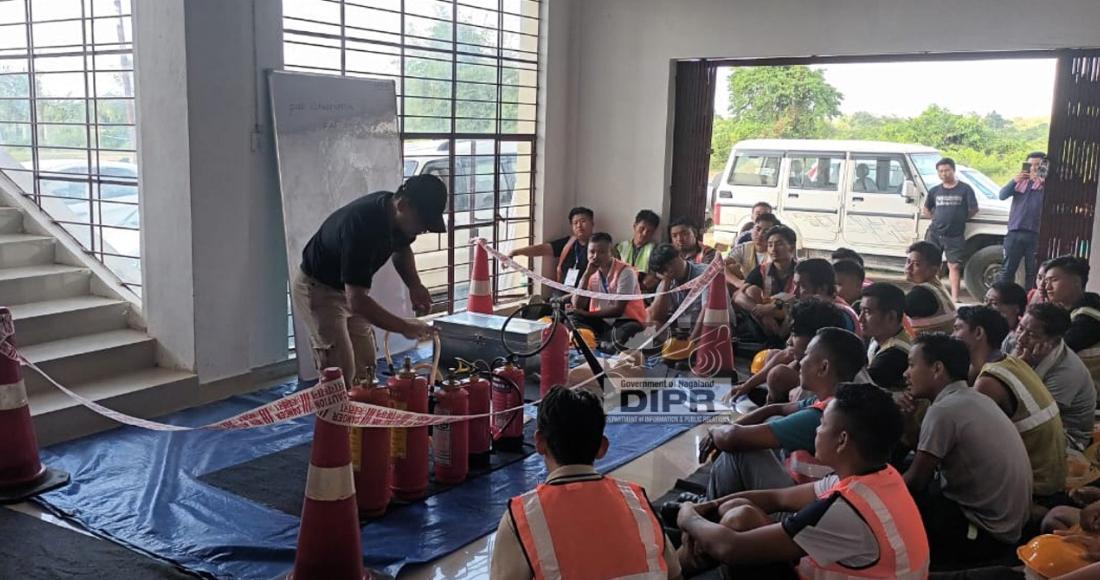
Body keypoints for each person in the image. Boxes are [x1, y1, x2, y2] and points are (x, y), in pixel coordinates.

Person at [675, 384, 929, 579]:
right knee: (737, 511)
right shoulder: (879, 476)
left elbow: (730, 547)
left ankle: (672, 568)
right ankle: (677, 564)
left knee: (736, 524)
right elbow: (778, 498)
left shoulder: (847, 509)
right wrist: (707, 508)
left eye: (822, 424)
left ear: (842, 440)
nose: (817, 431)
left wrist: (688, 517)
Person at [490, 386, 681, 580]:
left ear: (539, 442)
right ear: (602, 447)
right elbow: (674, 574)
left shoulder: (522, 518)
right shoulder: (638, 502)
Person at [292, 175, 442, 385]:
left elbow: (401, 248)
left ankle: (363, 404)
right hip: (319, 289)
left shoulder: (398, 216)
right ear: (402, 205)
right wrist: (404, 326)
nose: (423, 229)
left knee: (366, 368)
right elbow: (358, 302)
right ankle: (338, 406)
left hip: (348, 290)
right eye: (422, 222)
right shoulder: (363, 226)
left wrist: (414, 285)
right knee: (339, 373)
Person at [902, 333, 1032, 569]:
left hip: (988, 534)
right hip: (1010, 523)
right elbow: (925, 451)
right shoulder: (972, 398)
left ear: (937, 369)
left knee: (900, 508)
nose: (905, 373)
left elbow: (916, 481)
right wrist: (910, 421)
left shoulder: (944, 410)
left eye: (911, 365)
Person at [693, 328, 867, 501]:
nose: (800, 361)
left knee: (739, 449)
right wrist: (728, 427)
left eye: (807, 356)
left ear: (823, 367)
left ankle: (707, 507)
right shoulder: (835, 399)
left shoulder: (822, 417)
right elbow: (776, 409)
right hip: (812, 490)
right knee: (771, 420)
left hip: (803, 505)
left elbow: (730, 438)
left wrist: (715, 431)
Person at [953, 305, 1067, 499]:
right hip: (1052, 477)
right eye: (1021, 329)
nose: (952, 336)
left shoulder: (988, 383)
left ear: (978, 333)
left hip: (1035, 487)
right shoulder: (1011, 361)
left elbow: (965, 440)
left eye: (957, 329)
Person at [729, 298, 848, 405]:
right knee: (774, 355)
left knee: (778, 374)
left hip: (810, 407)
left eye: (795, 334)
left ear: (816, 339)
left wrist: (769, 410)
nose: (788, 341)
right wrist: (745, 386)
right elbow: (785, 354)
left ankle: (773, 405)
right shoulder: (820, 350)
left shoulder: (828, 378)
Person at [1013, 303, 1096, 451]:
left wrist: (1022, 368)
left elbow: (1036, 417)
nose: (1020, 338)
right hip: (1039, 423)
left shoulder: (1067, 371)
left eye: (1032, 335)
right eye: (1020, 328)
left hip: (1066, 436)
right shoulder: (1021, 345)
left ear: (1053, 341)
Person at [571, 233, 647, 351]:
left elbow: (618, 310)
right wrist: (586, 275)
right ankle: (600, 342)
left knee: (631, 329)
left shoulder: (626, 272)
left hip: (626, 321)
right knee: (572, 317)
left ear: (610, 252)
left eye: (601, 252)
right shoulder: (591, 273)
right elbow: (578, 305)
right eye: (591, 252)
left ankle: (598, 342)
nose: (595, 256)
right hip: (602, 321)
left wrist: (587, 314)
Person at [922, 157, 978, 303]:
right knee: (931, 264)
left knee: (954, 265)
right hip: (935, 233)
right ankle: (931, 294)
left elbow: (974, 209)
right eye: (941, 171)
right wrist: (935, 218)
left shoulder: (965, 189)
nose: (944, 174)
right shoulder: (935, 190)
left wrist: (960, 219)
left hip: (955, 235)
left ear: (953, 170)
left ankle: (954, 298)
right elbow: (926, 209)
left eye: (947, 170)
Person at [1044, 256, 1100, 398]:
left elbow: (1055, 350)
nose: (1047, 287)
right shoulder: (1065, 311)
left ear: (1076, 282)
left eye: (1054, 280)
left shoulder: (1089, 317)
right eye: (1046, 281)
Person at [648, 243, 729, 338]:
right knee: (652, 325)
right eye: (664, 269)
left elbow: (707, 310)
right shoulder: (667, 281)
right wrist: (666, 283)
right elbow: (657, 317)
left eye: (671, 264)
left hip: (712, 323)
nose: (669, 270)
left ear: (680, 255)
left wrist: (691, 341)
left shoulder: (705, 273)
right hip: (684, 325)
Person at [735, 225, 798, 344]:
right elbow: (738, 296)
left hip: (792, 318)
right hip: (767, 322)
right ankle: (770, 339)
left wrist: (771, 307)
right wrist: (760, 310)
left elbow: (804, 299)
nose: (773, 249)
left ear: (792, 247)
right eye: (770, 245)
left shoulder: (801, 270)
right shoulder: (762, 270)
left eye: (779, 244)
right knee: (751, 291)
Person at [509, 206, 594, 286]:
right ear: (571, 226)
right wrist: (516, 252)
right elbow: (542, 249)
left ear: (592, 223)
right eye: (575, 223)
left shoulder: (598, 244)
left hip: (587, 292)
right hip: (564, 289)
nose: (579, 226)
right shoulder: (568, 243)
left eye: (583, 221)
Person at [998, 152, 1047, 290]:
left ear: (1044, 167)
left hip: (1036, 234)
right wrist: (1014, 180)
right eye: (1031, 165)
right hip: (1015, 232)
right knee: (1007, 270)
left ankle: (1029, 299)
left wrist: (1044, 182)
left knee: (1033, 272)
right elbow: (1002, 195)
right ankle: (1002, 297)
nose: (1034, 168)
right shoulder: (1020, 182)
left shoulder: (1046, 186)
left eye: (1038, 165)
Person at [794, 258, 861, 335]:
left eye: (802, 286)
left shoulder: (836, 315)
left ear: (823, 289)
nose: (795, 292)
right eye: (795, 285)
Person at [904, 241, 956, 335]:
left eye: (916, 264)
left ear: (933, 270)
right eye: (908, 262)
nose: (909, 267)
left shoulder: (921, 294)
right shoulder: (936, 286)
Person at [724, 212, 779, 290]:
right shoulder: (744, 248)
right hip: (745, 287)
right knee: (730, 268)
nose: (760, 234)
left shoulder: (776, 252)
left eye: (766, 231)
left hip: (768, 290)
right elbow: (720, 266)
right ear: (752, 230)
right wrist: (737, 282)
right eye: (758, 229)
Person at [614, 209, 661, 281]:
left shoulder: (655, 250)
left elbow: (653, 276)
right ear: (634, 226)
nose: (644, 233)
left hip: (643, 286)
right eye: (642, 229)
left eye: (649, 231)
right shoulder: (620, 247)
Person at [987, 281, 1028, 352]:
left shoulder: (1018, 341)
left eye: (994, 303)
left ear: (1016, 308)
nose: (986, 307)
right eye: (985, 301)